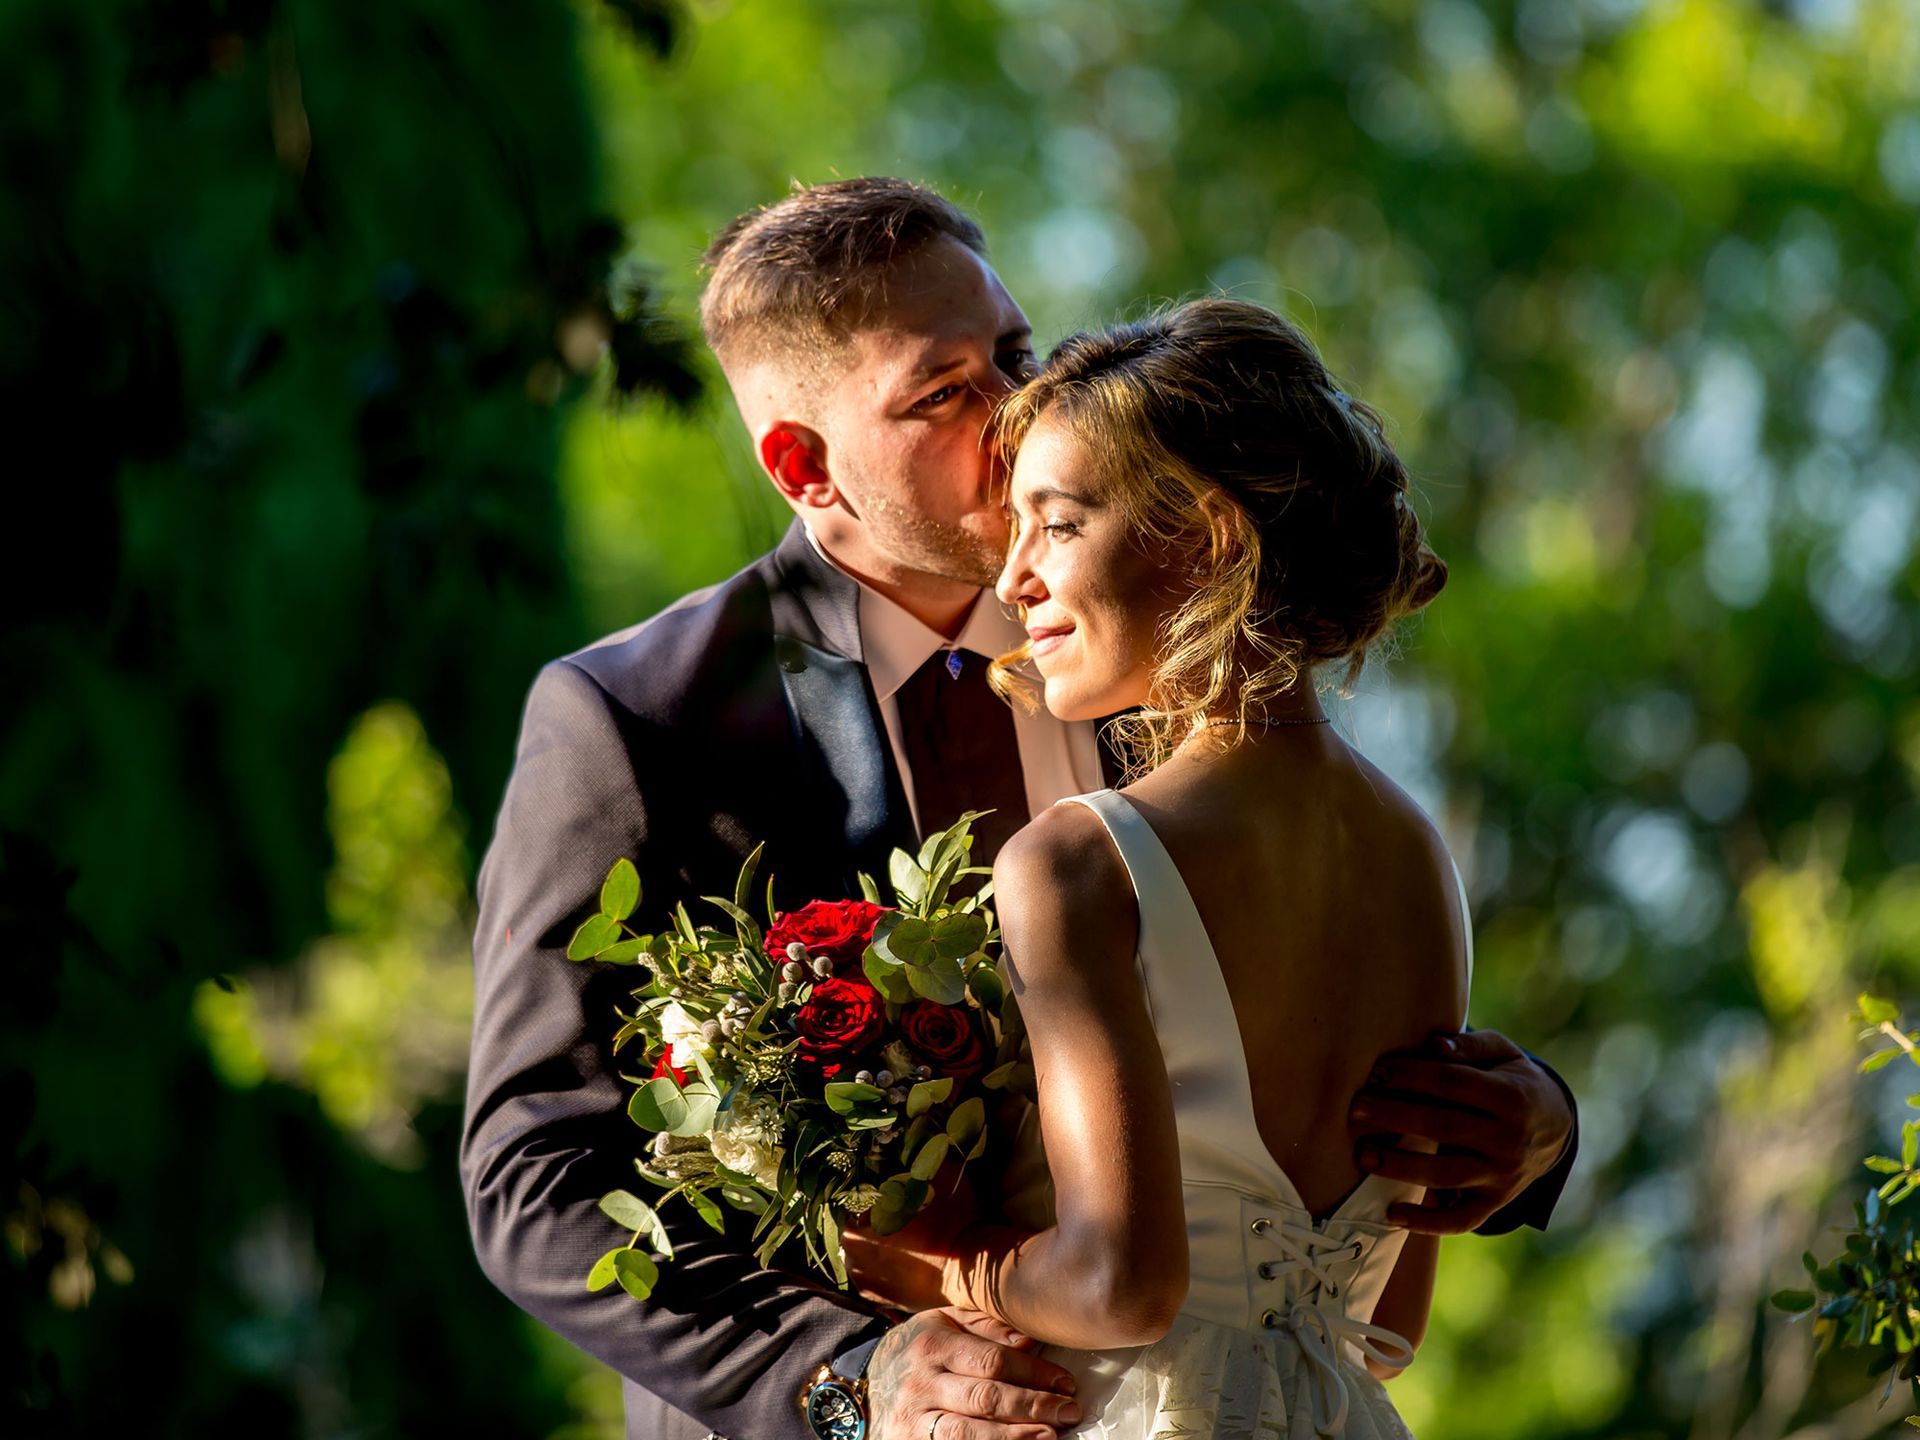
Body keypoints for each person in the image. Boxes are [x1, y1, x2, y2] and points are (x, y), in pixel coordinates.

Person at [459, 180, 1576, 1440]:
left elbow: (1313, 1004)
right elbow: (534, 1179)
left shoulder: (1157, 636)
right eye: (945, 392)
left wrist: (1530, 1125)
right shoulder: (639, 721)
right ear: (801, 464)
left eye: (1016, 355)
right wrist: (842, 1380)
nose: (1017, 415)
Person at [844, 296, 1491, 1438]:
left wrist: (934, 1267)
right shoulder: (1418, 860)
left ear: (1204, 535)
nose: (1014, 583)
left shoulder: (1082, 863)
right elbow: (1388, 1327)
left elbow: (1125, 1287)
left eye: (1057, 525)